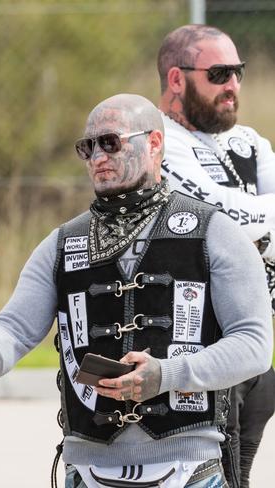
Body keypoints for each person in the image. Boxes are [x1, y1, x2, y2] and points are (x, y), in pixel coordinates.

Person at [0, 94, 273, 488]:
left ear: (154, 143)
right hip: (87, 470)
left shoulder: (214, 232)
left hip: (190, 469)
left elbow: (253, 344)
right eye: (87, 147)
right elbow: (15, 327)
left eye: (110, 142)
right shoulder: (63, 243)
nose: (97, 156)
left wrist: (166, 374)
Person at [157, 24, 275, 487]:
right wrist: (255, 231)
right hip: (197, 352)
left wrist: (255, 231)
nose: (233, 87)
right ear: (177, 79)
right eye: (220, 73)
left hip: (254, 349)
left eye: (238, 73)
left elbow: (240, 221)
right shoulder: (157, 142)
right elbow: (217, 217)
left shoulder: (251, 143)